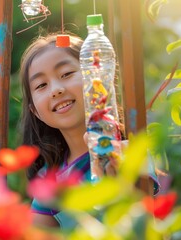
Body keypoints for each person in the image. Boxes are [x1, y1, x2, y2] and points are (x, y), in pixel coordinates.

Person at [19, 33, 159, 228]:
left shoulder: (129, 151)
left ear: (97, 80)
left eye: (66, 74)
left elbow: (144, 225)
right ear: (35, 111)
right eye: (41, 85)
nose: (56, 90)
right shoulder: (49, 180)